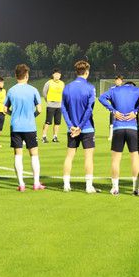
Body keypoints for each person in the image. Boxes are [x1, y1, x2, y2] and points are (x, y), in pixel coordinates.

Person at [99, 80, 139, 195]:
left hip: (118, 128)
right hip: (132, 128)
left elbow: (101, 98)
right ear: (133, 85)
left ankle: (115, 188)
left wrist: (113, 110)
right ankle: (135, 189)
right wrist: (136, 111)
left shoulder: (115, 90)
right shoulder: (137, 90)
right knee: (135, 158)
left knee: (116, 159)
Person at [5, 64, 45, 191]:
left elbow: (5, 109)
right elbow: (39, 109)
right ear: (27, 75)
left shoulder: (11, 90)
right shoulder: (33, 90)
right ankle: (36, 183)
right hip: (29, 126)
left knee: (18, 154)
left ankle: (21, 184)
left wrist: (13, 114)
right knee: (34, 154)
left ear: (16, 75)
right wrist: (32, 116)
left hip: (16, 126)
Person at [62, 60, 99, 193]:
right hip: (86, 127)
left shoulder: (67, 87)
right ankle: (89, 186)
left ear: (76, 72)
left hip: (72, 129)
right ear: (87, 72)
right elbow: (89, 109)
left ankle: (66, 185)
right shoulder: (90, 88)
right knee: (88, 157)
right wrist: (81, 127)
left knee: (69, 156)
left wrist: (71, 125)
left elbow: (63, 108)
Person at [41, 68, 65, 144]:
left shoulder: (62, 83)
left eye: (58, 74)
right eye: (56, 74)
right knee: (48, 122)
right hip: (51, 105)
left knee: (57, 123)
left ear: (60, 75)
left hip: (59, 105)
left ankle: (55, 137)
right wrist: (48, 100)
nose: (57, 76)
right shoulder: (49, 83)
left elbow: (63, 93)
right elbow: (44, 92)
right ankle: (44, 136)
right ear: (53, 75)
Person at [107, 75, 124, 141]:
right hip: (113, 108)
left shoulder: (124, 89)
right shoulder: (112, 89)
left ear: (121, 81)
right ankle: (111, 136)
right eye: (116, 80)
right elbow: (108, 97)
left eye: (119, 80)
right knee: (112, 123)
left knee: (121, 122)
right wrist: (109, 106)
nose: (117, 81)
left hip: (122, 108)